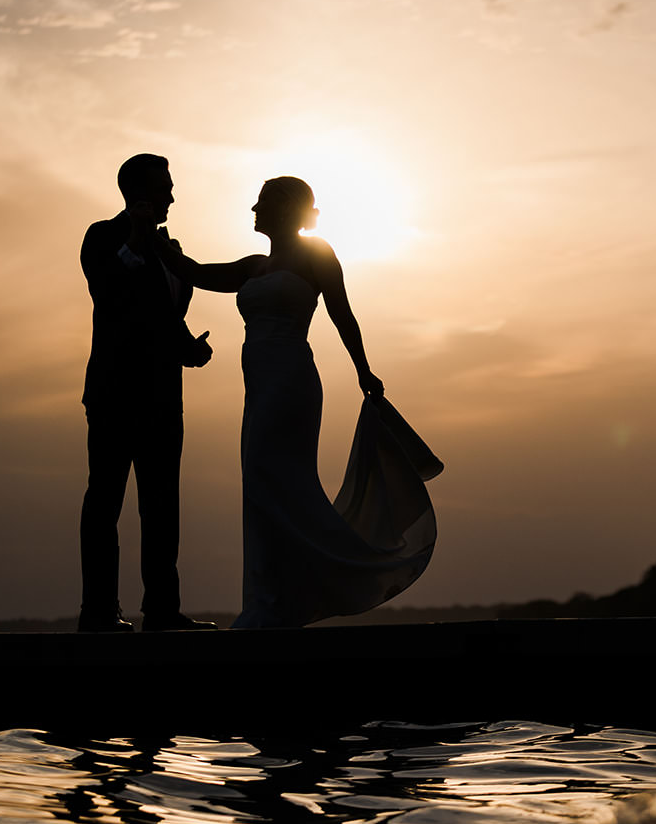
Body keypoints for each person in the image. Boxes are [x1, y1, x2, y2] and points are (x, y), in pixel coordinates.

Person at [155, 176, 441, 628]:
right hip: (259, 388)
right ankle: (272, 598)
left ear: (286, 208)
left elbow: (342, 313)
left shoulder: (317, 255)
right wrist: (161, 248)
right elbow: (197, 273)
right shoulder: (252, 267)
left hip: (292, 385)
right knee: (262, 484)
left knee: (278, 479)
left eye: (263, 202)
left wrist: (363, 369)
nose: (253, 209)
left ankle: (295, 591)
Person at [77, 153, 217, 633]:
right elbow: (112, 290)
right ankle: (98, 612)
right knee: (105, 502)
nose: (172, 197)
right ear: (136, 193)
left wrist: (188, 350)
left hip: (162, 397)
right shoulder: (100, 238)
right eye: (163, 189)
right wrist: (136, 237)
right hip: (115, 393)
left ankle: (162, 611)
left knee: (161, 506)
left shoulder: (170, 250)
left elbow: (162, 317)